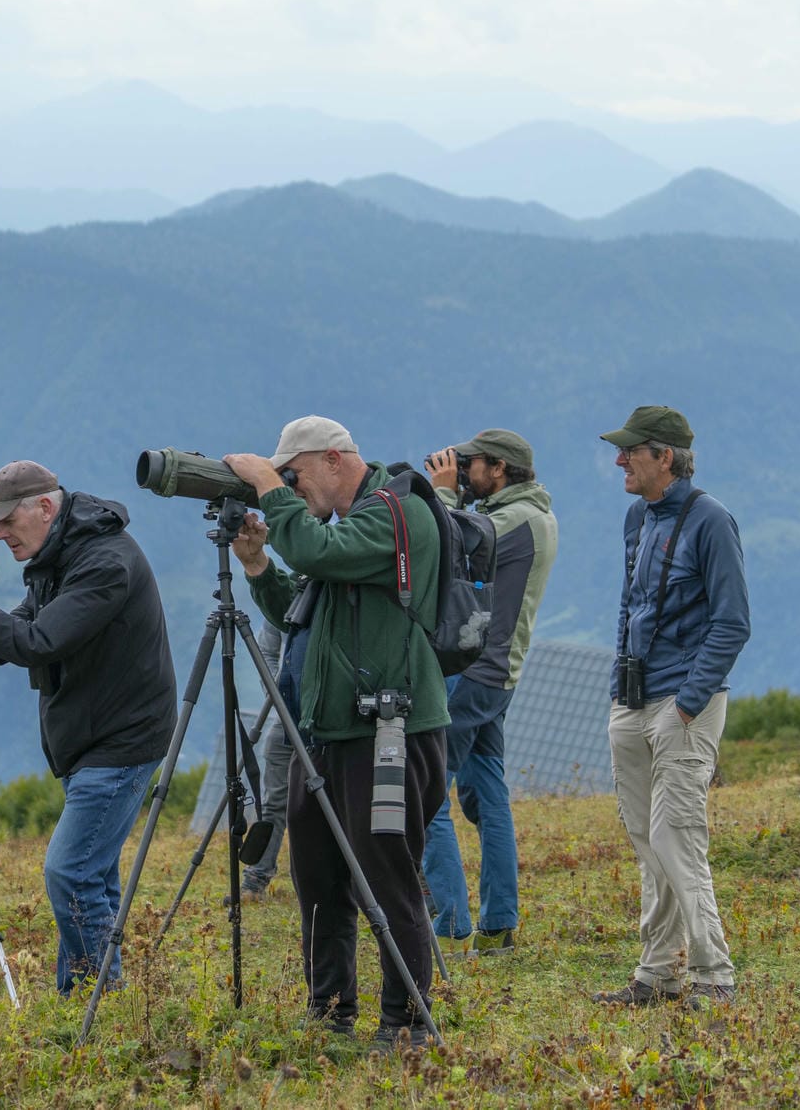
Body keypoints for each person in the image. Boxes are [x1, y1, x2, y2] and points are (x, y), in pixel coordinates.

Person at [222, 416, 449, 1049]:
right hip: (326, 730)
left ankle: (407, 1021)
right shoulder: (346, 530)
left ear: (331, 460)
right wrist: (259, 562)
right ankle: (330, 1010)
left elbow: (318, 553)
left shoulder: (397, 514)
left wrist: (266, 486)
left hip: (387, 733)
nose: (290, 490)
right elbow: (301, 610)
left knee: (385, 875)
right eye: (284, 480)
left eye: (293, 476)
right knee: (317, 875)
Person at [0, 460, 175, 996]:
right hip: (89, 737)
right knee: (92, 875)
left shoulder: (105, 562)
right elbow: (24, 625)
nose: (0, 534)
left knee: (70, 872)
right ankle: (92, 1000)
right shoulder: (60, 554)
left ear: (45, 507)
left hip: (122, 740)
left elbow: (38, 642)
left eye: (7, 521)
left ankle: (93, 1001)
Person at [591, 407, 749, 1009]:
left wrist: (684, 706)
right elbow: (630, 607)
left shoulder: (711, 520)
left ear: (665, 457)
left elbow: (733, 624)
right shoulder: (638, 517)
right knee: (644, 836)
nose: (619, 460)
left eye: (630, 451)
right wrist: (618, 691)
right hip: (632, 700)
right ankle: (658, 975)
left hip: (685, 702)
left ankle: (715, 976)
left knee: (676, 835)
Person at [418, 428, 559, 957]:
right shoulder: (535, 513)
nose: (466, 470)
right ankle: (499, 924)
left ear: (498, 468)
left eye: (472, 464)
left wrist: (445, 492)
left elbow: (451, 547)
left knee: (428, 790)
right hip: (498, 675)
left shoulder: (514, 519)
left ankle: (451, 926)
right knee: (490, 795)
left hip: (471, 672)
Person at [238, 621, 294, 900]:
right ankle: (256, 878)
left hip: (330, 718)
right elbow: (267, 652)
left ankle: (319, 879)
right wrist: (281, 690)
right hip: (286, 717)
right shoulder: (286, 597)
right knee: (273, 802)